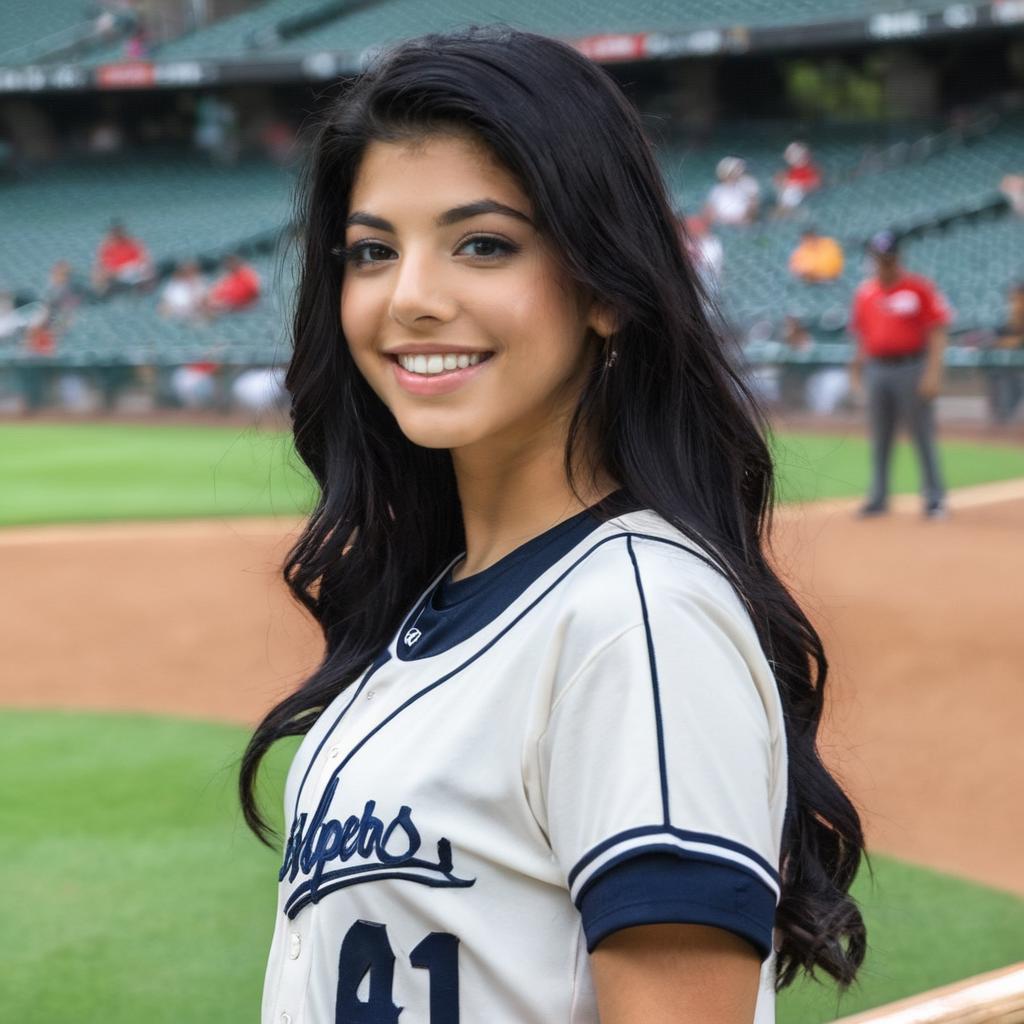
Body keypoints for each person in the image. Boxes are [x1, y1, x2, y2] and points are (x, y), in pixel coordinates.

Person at [241, 28, 865, 1024]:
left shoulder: (639, 623)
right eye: (372, 251)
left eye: (481, 243)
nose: (410, 297)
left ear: (605, 290)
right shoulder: (442, 602)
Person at [849, 230, 951, 518]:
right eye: (879, 259)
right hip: (877, 368)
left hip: (911, 367)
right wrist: (857, 371)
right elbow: (862, 337)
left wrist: (933, 373)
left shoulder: (918, 288)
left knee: (922, 434)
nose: (884, 264)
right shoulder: (865, 293)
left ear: (897, 258)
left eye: (888, 258)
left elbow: (938, 332)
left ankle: (934, 498)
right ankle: (878, 498)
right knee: (880, 437)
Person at [985, 281, 1024, 424]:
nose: (1016, 304)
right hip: (1010, 374)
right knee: (998, 372)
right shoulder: (1008, 324)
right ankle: (1001, 420)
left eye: (1019, 299)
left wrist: (1015, 342)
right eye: (1013, 299)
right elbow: (995, 340)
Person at [92, 222, 153, 295]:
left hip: (133, 270)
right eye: (114, 233)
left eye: (117, 232)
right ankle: (101, 292)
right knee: (101, 273)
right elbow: (100, 264)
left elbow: (144, 258)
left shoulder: (132, 242)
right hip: (117, 274)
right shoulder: (106, 246)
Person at [706, 156, 760, 225]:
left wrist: (741, 220)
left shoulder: (749, 185)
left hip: (743, 224)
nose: (739, 171)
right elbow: (709, 211)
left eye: (739, 169)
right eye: (736, 169)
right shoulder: (717, 190)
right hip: (721, 223)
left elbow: (753, 209)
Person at [774, 141, 822, 213]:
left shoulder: (811, 170)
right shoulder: (787, 172)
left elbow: (815, 184)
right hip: (791, 193)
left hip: (800, 194)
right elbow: (778, 181)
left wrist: (795, 184)